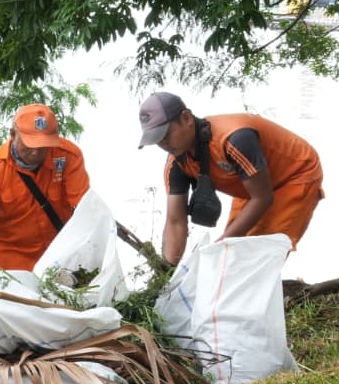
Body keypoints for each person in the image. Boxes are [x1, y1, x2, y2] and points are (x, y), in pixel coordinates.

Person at [138, 91, 325, 265]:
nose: (163, 144)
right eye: (157, 140)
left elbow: (263, 198)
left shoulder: (234, 139)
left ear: (186, 118)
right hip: (251, 185)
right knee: (234, 257)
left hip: (294, 175)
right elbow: (175, 222)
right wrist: (169, 270)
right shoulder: (176, 164)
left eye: (165, 135)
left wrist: (222, 244)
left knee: (262, 254)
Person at [0, 103, 91, 271]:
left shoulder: (68, 156)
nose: (36, 153)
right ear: (12, 134)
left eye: (43, 145)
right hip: (12, 260)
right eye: (30, 144)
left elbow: (85, 208)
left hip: (59, 254)